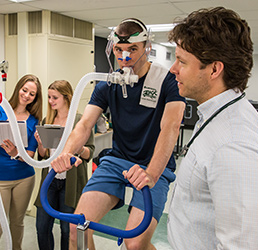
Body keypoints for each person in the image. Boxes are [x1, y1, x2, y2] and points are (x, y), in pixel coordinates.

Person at [51, 18, 186, 250]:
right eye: (119, 50)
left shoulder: (167, 81)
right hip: (117, 160)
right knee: (77, 228)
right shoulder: (108, 83)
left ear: (147, 48)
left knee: (134, 244)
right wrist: (66, 153)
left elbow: (171, 127)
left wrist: (151, 174)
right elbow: (84, 125)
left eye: (133, 49)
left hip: (153, 165)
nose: (125, 57)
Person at [167, 7, 258, 249]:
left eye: (182, 61)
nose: (173, 69)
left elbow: (243, 245)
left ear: (214, 69)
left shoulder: (233, 143)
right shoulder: (216, 115)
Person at [0, 74, 42, 250]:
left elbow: (30, 154)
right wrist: (0, 140)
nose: (26, 95)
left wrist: (16, 153)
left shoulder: (33, 120)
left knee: (17, 223)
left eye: (32, 94)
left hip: (24, 178)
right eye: (25, 90)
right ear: (18, 89)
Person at [33, 80, 95, 250]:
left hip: (71, 182)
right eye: (49, 97)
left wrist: (76, 146)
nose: (51, 101)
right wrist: (40, 143)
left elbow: (90, 152)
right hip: (50, 180)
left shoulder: (80, 121)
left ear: (67, 98)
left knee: (67, 230)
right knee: (42, 227)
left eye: (55, 97)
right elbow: (44, 155)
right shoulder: (48, 120)